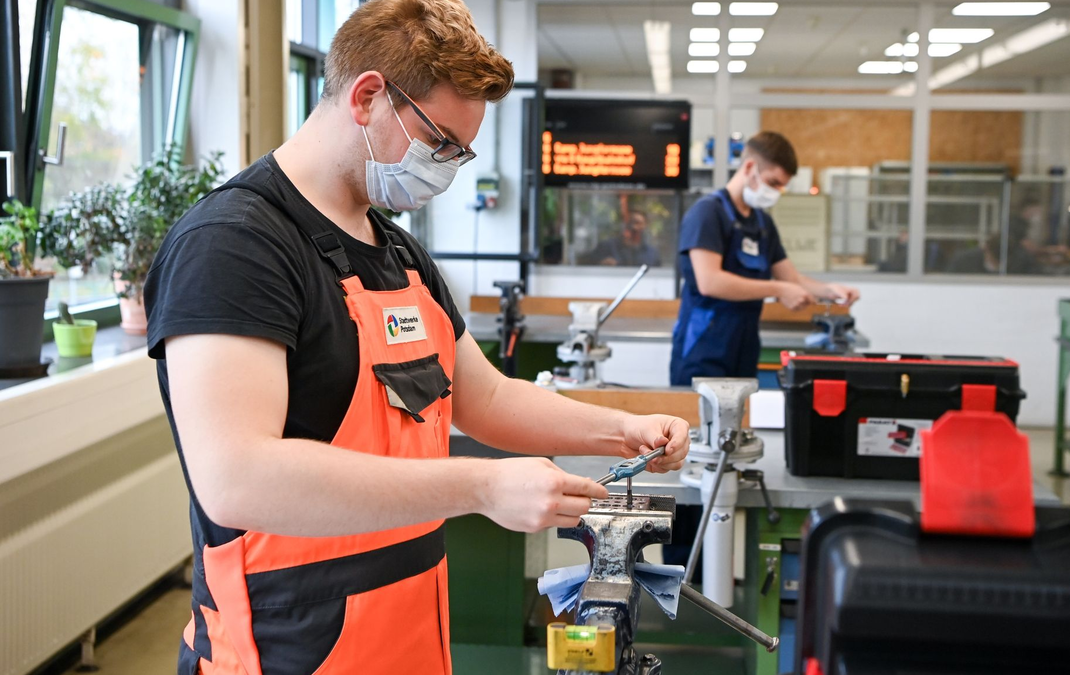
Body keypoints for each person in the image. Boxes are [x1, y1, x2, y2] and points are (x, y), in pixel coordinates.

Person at [143, 2, 690, 673]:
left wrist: (621, 431)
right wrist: (482, 488)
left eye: (461, 152)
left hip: (405, 637)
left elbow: (485, 396)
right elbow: (237, 477)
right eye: (441, 144)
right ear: (368, 95)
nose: (449, 167)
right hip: (283, 646)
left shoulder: (398, 254)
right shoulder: (234, 244)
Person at [669, 131, 861, 386]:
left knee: (741, 422)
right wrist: (779, 289)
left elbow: (790, 278)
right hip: (703, 346)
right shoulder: (707, 214)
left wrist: (829, 291)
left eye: (781, 186)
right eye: (773, 183)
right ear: (750, 167)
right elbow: (710, 281)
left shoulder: (762, 223)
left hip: (744, 345)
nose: (777, 192)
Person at [586, 209, 662, 267]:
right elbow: (586, 265)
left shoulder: (651, 253)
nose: (634, 227)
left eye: (638, 223)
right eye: (630, 222)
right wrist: (602, 263)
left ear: (645, 226)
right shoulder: (607, 247)